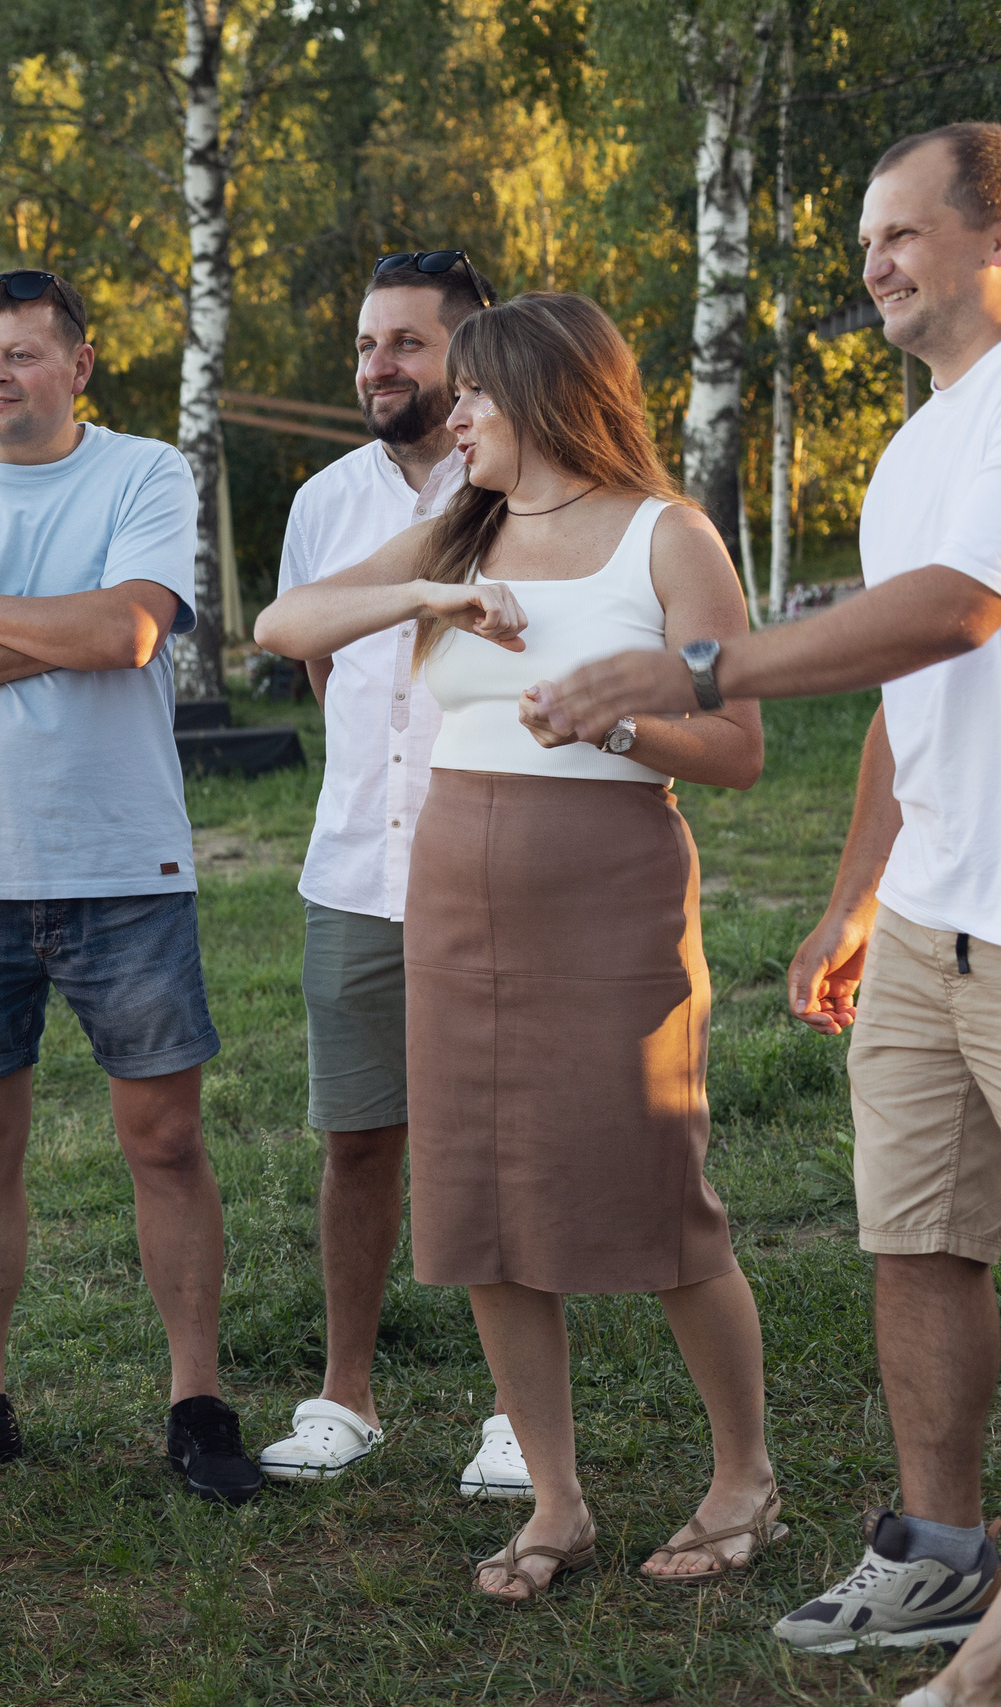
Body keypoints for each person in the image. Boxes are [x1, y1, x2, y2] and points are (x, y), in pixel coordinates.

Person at [542, 123, 1001, 1675]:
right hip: (936, 921)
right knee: (920, 1241)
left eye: (901, 231)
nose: (872, 262)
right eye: (863, 238)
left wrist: (700, 665)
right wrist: (858, 892)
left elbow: (953, 611)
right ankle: (937, 1555)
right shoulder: (917, 439)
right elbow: (904, 695)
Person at [255, 290, 778, 1601]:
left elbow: (741, 747)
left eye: (477, 393)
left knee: (659, 1189)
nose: (458, 412)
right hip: (453, 893)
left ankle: (743, 1475)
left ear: (543, 393)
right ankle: (558, 1494)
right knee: (480, 1205)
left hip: (610, 894)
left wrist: (616, 722)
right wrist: (430, 587)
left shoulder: (669, 536)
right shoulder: (464, 522)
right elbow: (282, 628)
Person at [0, 267, 260, 1505]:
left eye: (22, 355)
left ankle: (196, 1404)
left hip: (123, 863)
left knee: (165, 1138)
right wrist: (44, 623)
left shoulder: (142, 473)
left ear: (78, 365)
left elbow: (130, 636)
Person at [252, 251, 531, 1498]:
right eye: (367, 344)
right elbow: (319, 665)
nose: (378, 367)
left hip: (496, 867)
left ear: (469, 357)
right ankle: (344, 1397)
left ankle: (517, 1413)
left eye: (406, 345)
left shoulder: (537, 490)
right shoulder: (323, 503)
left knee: (498, 1136)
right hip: (356, 865)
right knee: (358, 1138)